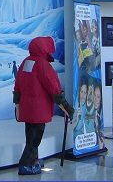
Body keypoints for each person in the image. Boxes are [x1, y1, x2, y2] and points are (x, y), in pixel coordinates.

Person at [13, 36, 74, 175]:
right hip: (38, 109)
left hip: (27, 108)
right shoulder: (43, 65)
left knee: (30, 135)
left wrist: (17, 104)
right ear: (45, 48)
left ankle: (34, 160)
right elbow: (54, 88)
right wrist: (66, 107)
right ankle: (25, 165)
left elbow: (17, 85)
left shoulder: (26, 62)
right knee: (35, 139)